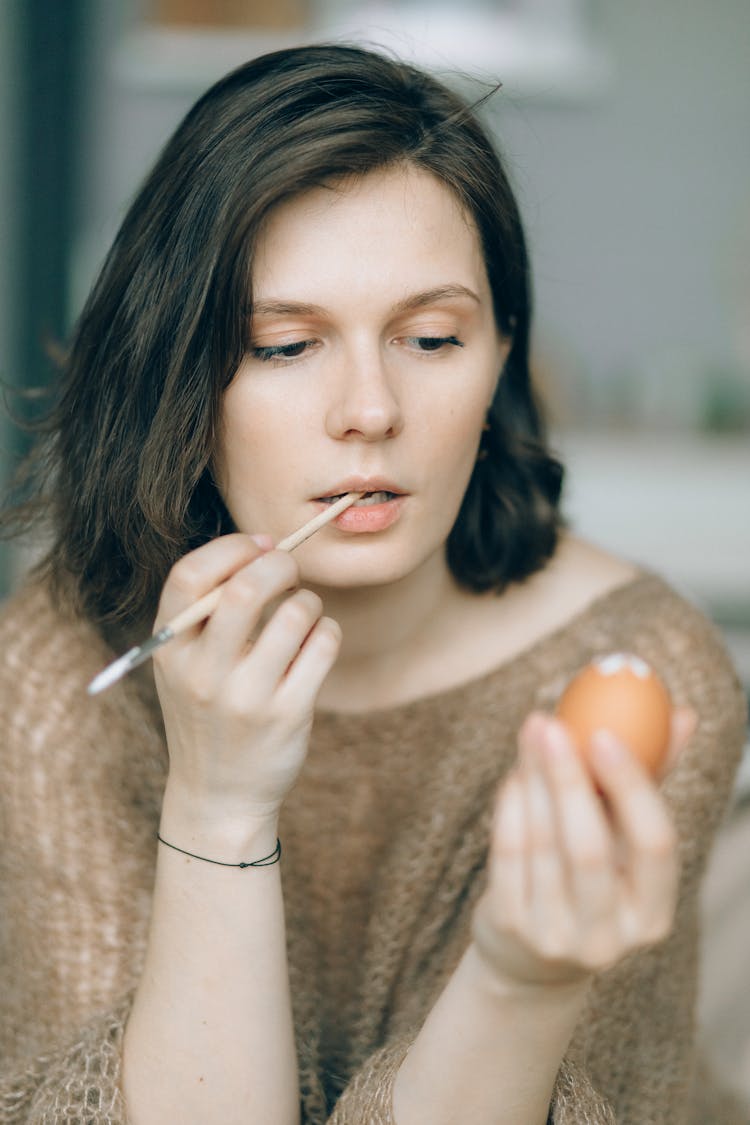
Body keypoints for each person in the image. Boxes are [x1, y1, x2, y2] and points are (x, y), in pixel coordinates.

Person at [0, 43, 746, 1125]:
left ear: (501, 360)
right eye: (286, 345)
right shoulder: (54, 675)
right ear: (179, 378)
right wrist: (215, 809)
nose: (370, 408)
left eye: (431, 337)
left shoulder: (642, 670)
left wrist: (520, 979)